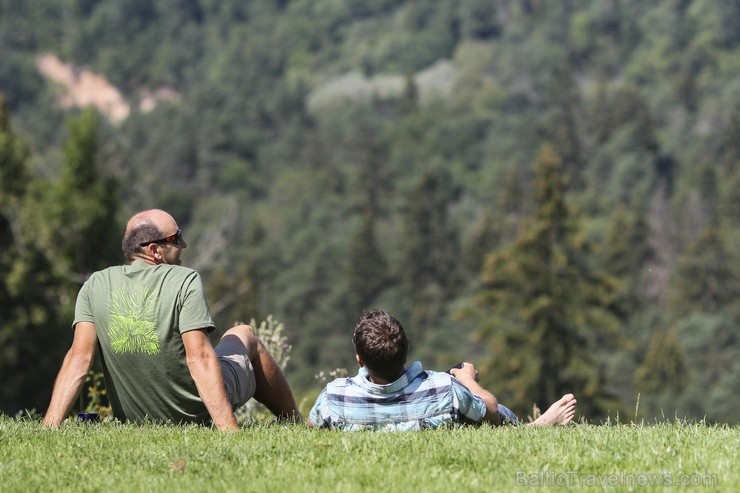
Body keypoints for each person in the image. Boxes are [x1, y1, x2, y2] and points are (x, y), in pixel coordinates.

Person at [44, 209, 302, 430]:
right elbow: (199, 356)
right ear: (154, 250)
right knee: (244, 334)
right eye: (176, 239)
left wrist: (49, 427)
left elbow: (79, 359)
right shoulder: (184, 280)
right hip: (198, 413)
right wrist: (228, 430)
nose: (183, 245)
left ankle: (48, 426)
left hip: (135, 420)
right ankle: (297, 423)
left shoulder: (95, 285)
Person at [308, 309, 577, 431]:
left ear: (360, 360)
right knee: (486, 409)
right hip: (459, 402)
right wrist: (469, 380)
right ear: (406, 349)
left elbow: (311, 428)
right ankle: (533, 428)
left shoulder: (334, 397)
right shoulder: (443, 388)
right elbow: (491, 413)